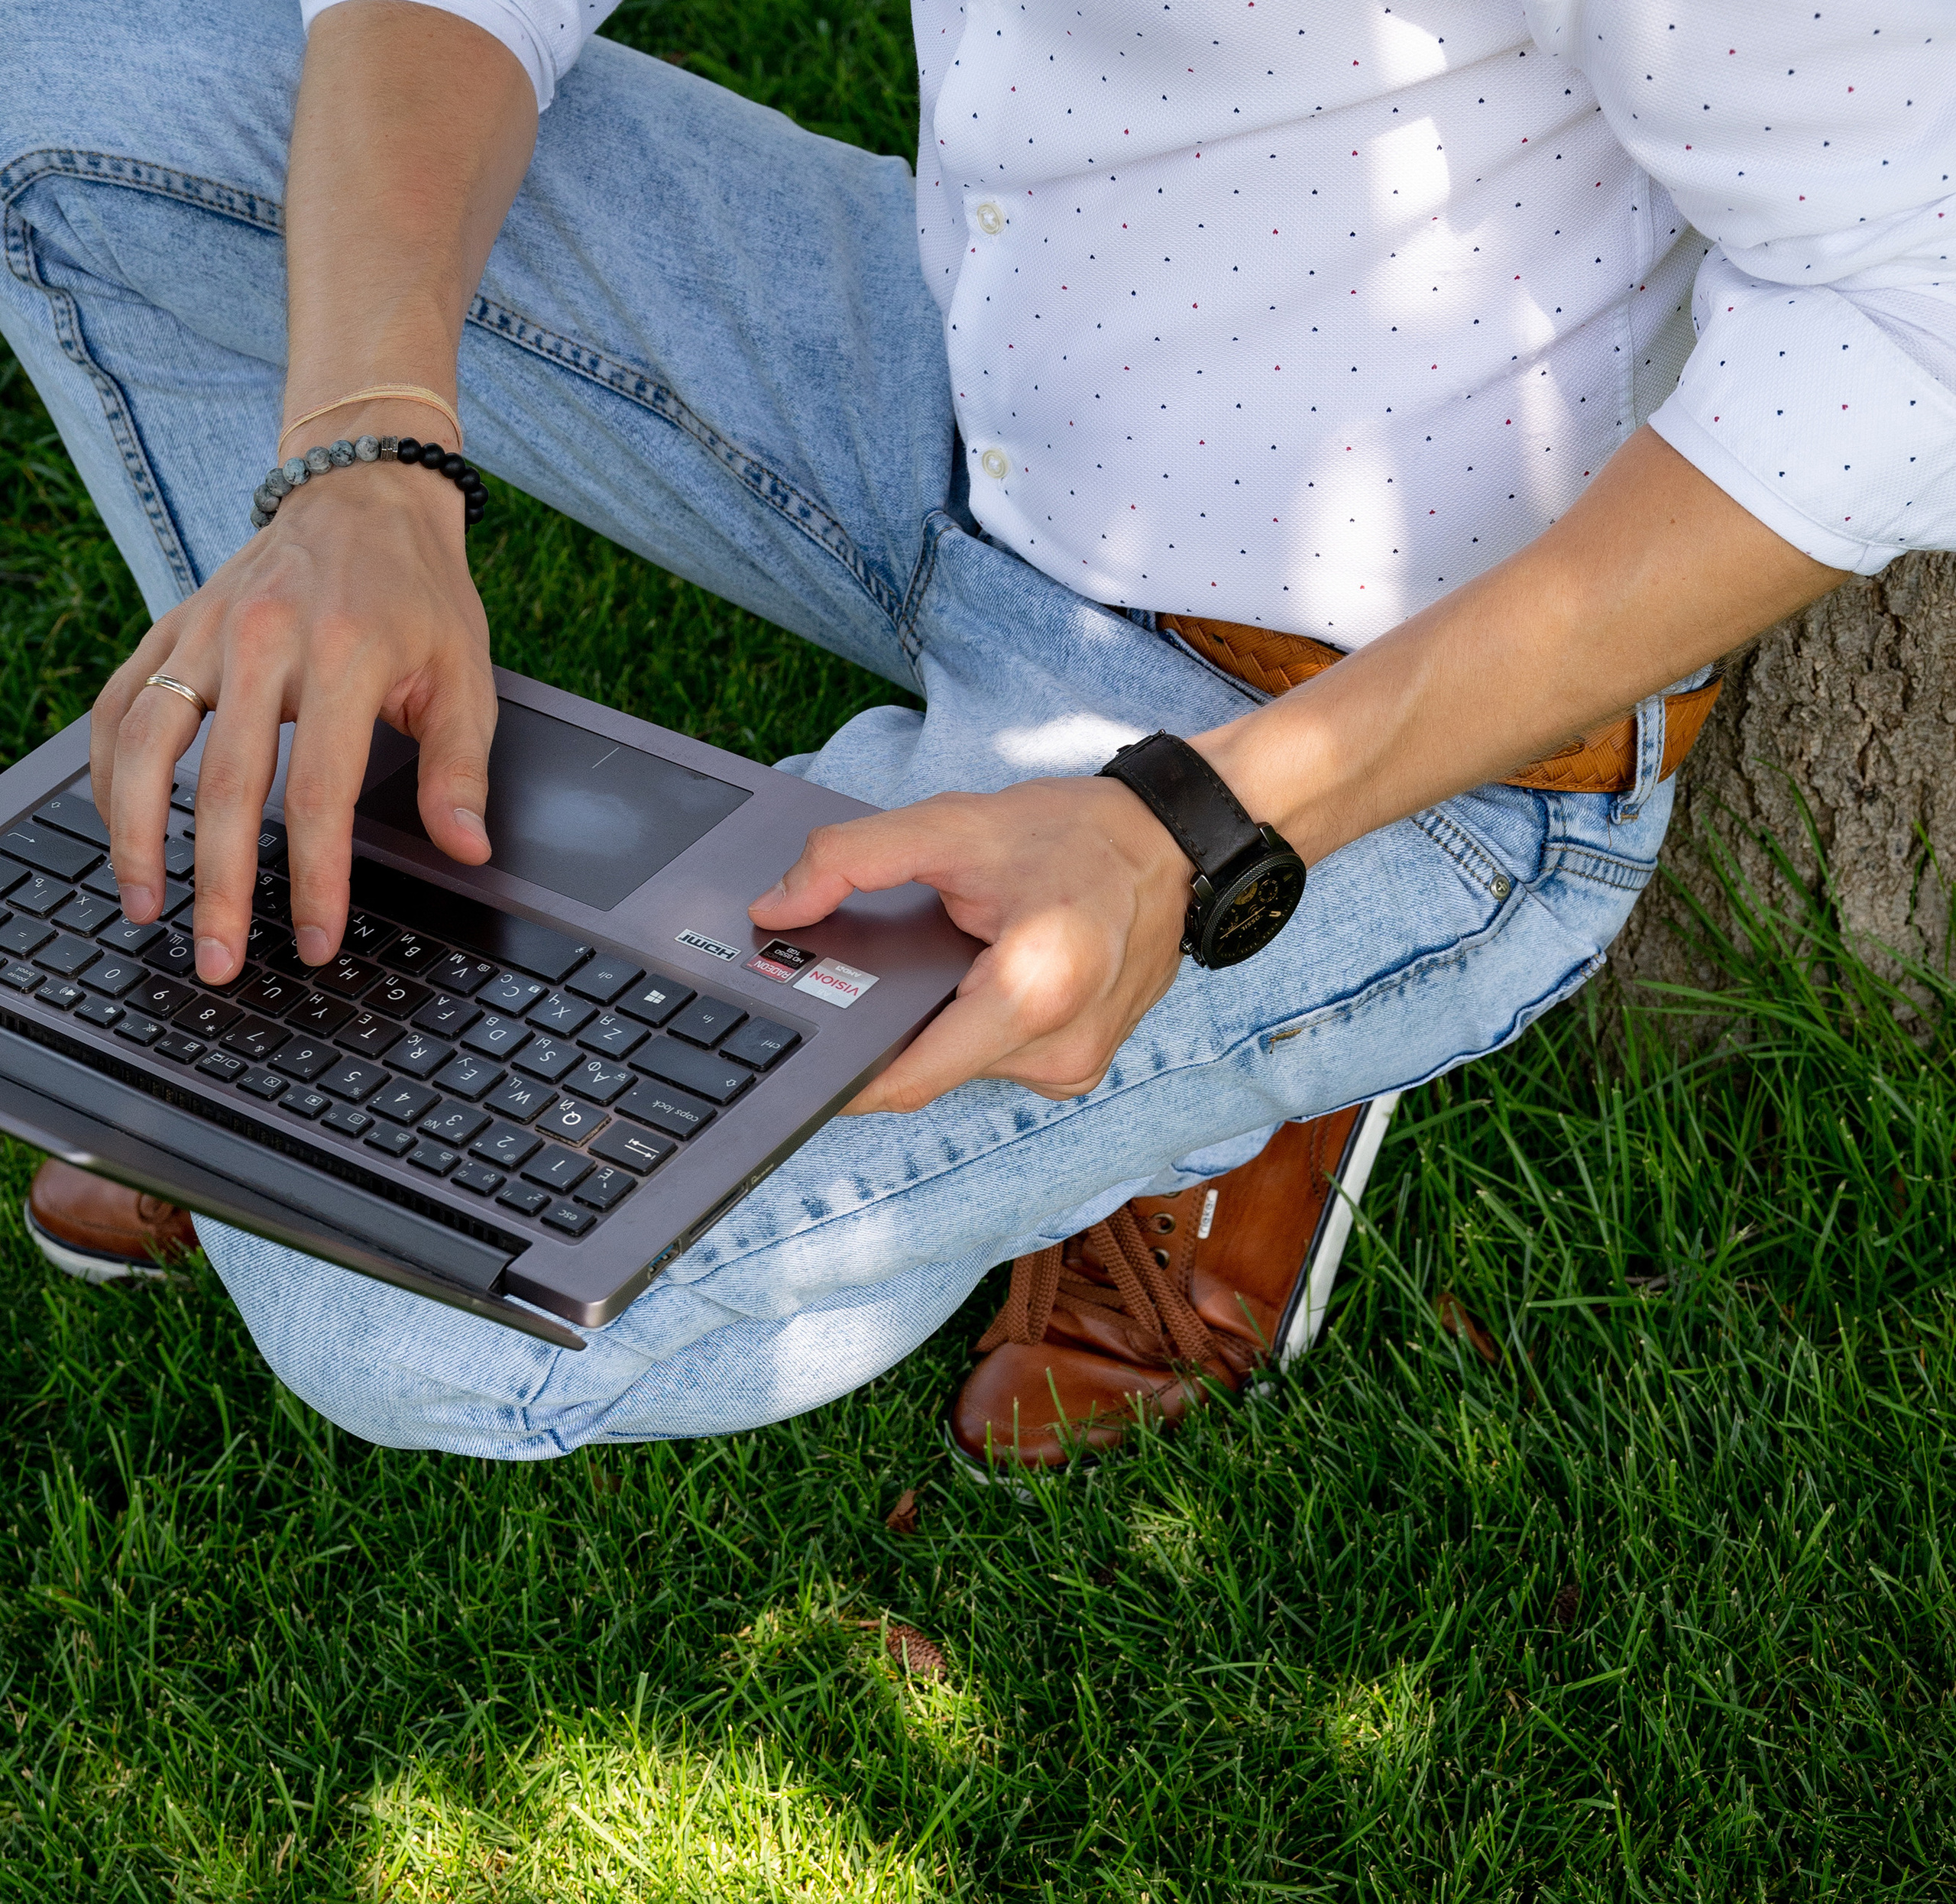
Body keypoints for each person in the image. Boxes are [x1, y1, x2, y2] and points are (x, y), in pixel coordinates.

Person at [2, 0, 1946, 1470]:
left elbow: (1903, 322)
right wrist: (364, 461)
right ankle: (337, 857)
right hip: (976, 370)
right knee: (63, 82)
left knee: (412, 1320)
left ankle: (1254, 1034)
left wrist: (1189, 832)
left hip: (1351, 700)